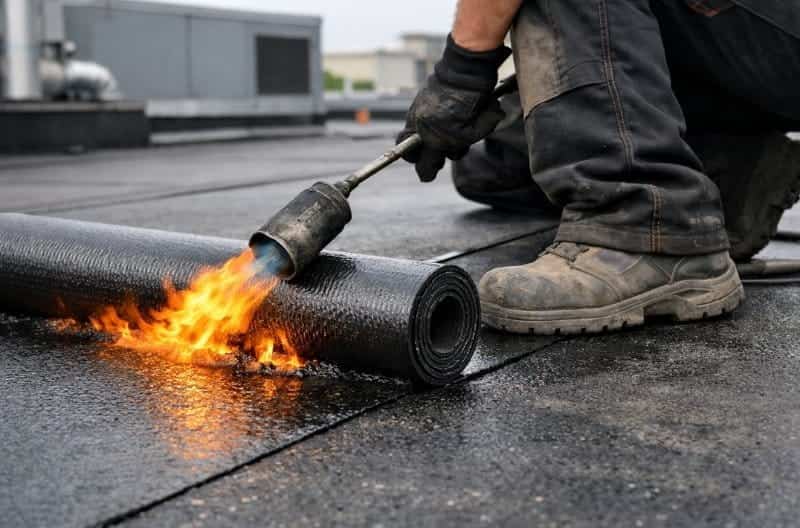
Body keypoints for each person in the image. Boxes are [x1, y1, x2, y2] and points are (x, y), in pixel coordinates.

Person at [398, 0, 800, 335]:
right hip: (738, 52)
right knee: (491, 166)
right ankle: (733, 173)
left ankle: (643, 223)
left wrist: (462, 70)